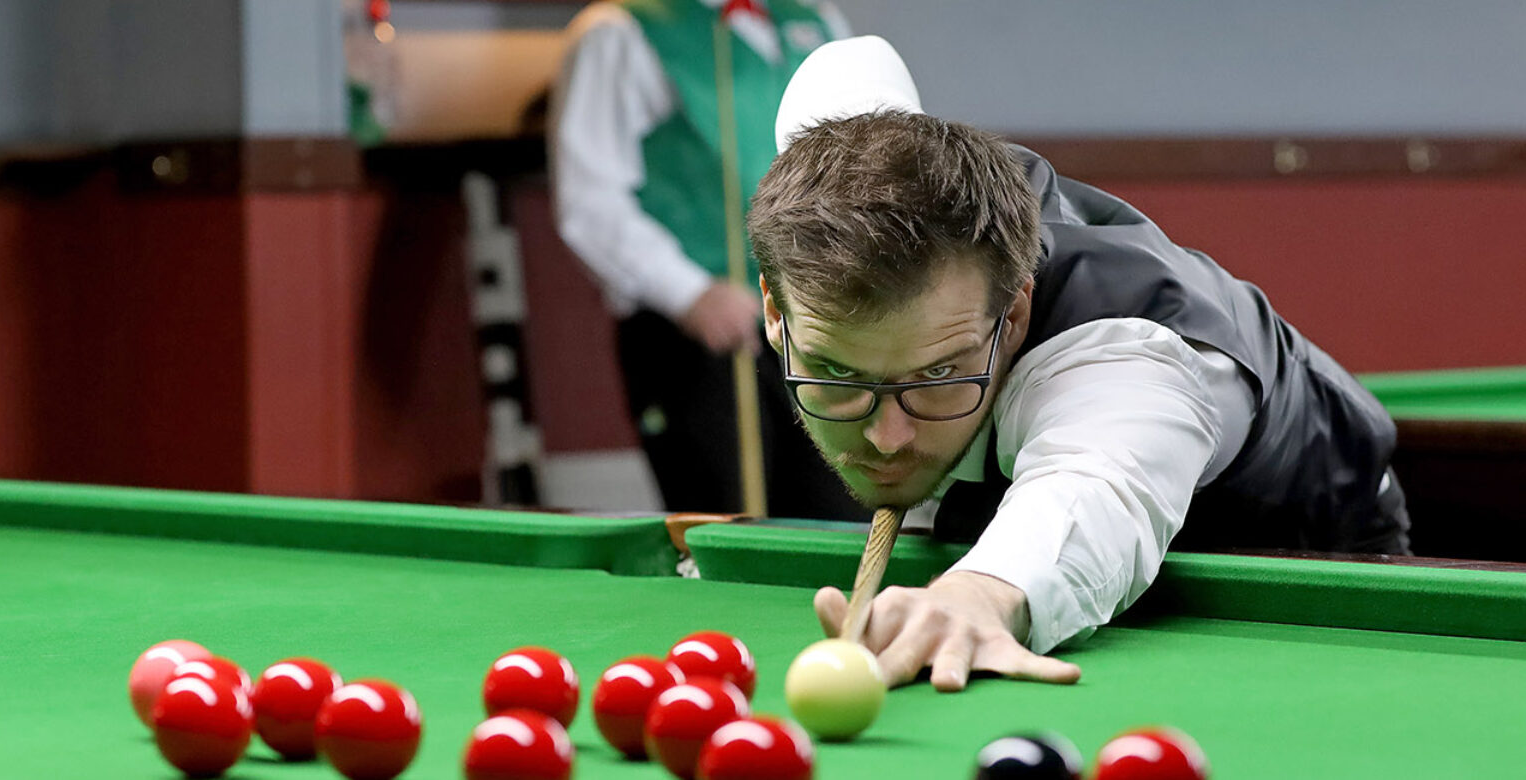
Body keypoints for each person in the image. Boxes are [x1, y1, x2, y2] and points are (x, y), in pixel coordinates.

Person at [748, 37, 1411, 692]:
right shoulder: (855, 196)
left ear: (1012, 315)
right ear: (776, 314)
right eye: (838, 373)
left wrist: (981, 593)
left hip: (1309, 569)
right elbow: (857, 68)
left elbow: (1099, 480)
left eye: (938, 374)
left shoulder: (1124, 354)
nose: (887, 437)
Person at [548, 0, 865, 522]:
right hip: (701, 337)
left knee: (841, 522)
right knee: (729, 527)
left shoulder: (817, 20)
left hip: (821, 327)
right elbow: (591, 200)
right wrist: (690, 293)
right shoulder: (620, 31)